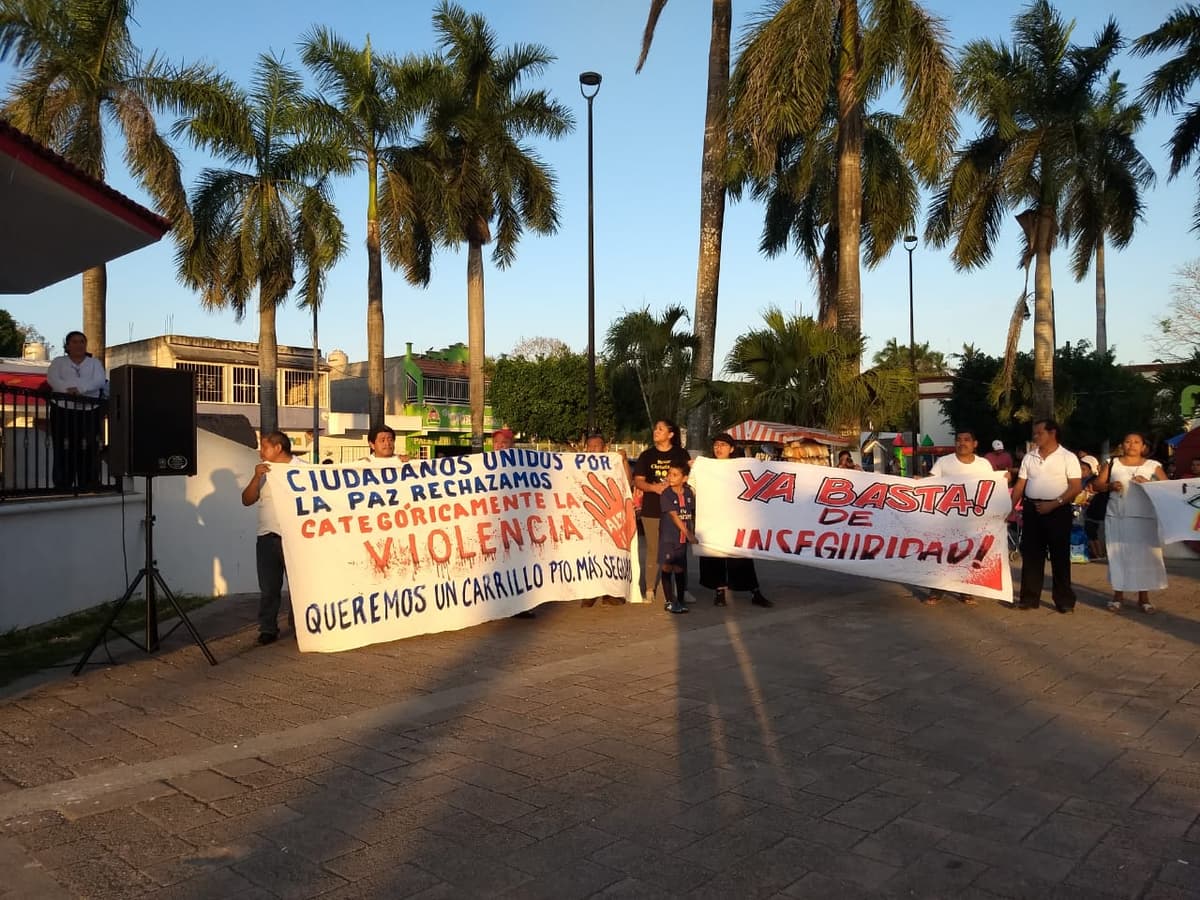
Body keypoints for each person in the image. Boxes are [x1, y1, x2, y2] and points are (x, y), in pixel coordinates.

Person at [1010, 419, 1082, 613]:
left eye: (1039, 433)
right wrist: (1010, 506)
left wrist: (1054, 504)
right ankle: (1029, 598)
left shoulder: (1068, 457)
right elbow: (1020, 485)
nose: (1035, 437)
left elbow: (1075, 486)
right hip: (1032, 508)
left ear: (1052, 433)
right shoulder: (1029, 457)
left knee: (1059, 556)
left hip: (1058, 508)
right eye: (1034, 433)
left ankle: (1064, 600)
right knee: (1032, 555)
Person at [1095, 432, 1168, 614]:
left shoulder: (1153, 465)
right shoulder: (1112, 463)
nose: (1132, 445)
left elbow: (1167, 487)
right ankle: (1117, 596)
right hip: (1118, 516)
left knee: (1144, 557)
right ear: (1122, 445)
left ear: (1143, 446)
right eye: (1128, 441)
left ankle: (1144, 598)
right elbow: (1097, 485)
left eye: (1136, 442)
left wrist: (1148, 484)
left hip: (1144, 518)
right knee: (1118, 556)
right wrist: (1110, 486)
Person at [242, 431, 303, 645]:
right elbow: (246, 500)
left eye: (264, 447)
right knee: (268, 587)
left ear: (278, 448)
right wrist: (256, 477)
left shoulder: (303, 469)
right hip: (267, 536)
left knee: (298, 585)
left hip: (295, 537)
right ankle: (268, 628)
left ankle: (300, 626)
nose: (261, 452)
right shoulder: (265, 472)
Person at [698, 433, 772, 608]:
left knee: (741, 556)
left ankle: (754, 591)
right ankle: (719, 591)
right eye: (716, 444)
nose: (718, 448)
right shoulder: (706, 467)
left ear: (731, 449)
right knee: (714, 555)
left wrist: (760, 466)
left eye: (723, 445)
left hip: (736, 518)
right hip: (713, 518)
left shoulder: (740, 467)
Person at [924, 429, 997, 607]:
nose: (962, 443)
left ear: (975, 444)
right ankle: (936, 590)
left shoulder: (984, 464)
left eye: (966, 440)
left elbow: (993, 487)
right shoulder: (944, 462)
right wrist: (919, 483)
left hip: (973, 519)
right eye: (958, 440)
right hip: (946, 517)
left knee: (968, 554)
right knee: (942, 554)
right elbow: (931, 484)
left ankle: (966, 592)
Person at [634, 419, 691, 602]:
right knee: (653, 548)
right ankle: (650, 589)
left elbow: (689, 478)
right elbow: (638, 481)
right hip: (652, 509)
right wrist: (654, 488)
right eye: (655, 429)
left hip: (678, 509)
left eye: (660, 429)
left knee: (679, 549)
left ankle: (682, 589)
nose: (656, 431)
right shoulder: (646, 455)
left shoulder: (681, 453)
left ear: (671, 434)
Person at [46, 330, 107, 490]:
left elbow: (99, 381)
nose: (78, 345)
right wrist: (68, 391)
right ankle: (63, 483)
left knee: (88, 448)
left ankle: (88, 483)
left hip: (89, 411)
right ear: (67, 345)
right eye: (74, 341)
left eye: (81, 341)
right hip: (62, 410)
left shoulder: (94, 363)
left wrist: (81, 389)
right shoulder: (58, 362)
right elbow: (52, 379)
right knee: (63, 446)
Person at [581, 433, 629, 608]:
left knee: (609, 554)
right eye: (590, 446)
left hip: (609, 517)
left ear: (605, 448)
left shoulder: (612, 464)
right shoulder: (577, 466)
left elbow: (628, 483)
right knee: (588, 555)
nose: (593, 449)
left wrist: (623, 462)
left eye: (597, 446)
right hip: (585, 517)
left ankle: (610, 592)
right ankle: (590, 593)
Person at [658, 462, 695, 614]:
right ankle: (668, 600)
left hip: (681, 539)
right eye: (669, 474)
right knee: (667, 566)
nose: (670, 477)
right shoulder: (666, 494)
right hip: (668, 536)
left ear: (684, 478)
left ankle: (680, 600)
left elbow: (691, 514)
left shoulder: (688, 494)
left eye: (675, 475)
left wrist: (691, 531)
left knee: (680, 568)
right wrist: (688, 533)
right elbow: (674, 515)